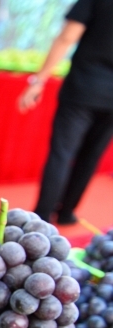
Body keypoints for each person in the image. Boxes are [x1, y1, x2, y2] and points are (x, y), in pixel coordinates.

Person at [18, 0, 113, 225]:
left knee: (61, 153)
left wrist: (39, 79)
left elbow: (67, 37)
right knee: (91, 156)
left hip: (83, 88)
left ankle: (41, 218)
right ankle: (66, 212)